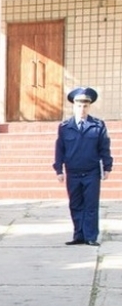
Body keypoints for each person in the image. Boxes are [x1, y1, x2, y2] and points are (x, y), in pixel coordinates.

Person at [54, 87, 112, 246]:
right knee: (75, 205)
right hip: (73, 172)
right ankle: (78, 235)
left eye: (85, 105)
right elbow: (60, 149)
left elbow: (104, 147)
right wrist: (58, 169)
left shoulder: (98, 125)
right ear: (73, 106)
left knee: (91, 205)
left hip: (91, 172)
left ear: (89, 106)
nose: (82, 108)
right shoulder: (65, 127)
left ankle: (90, 237)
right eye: (79, 105)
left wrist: (107, 167)